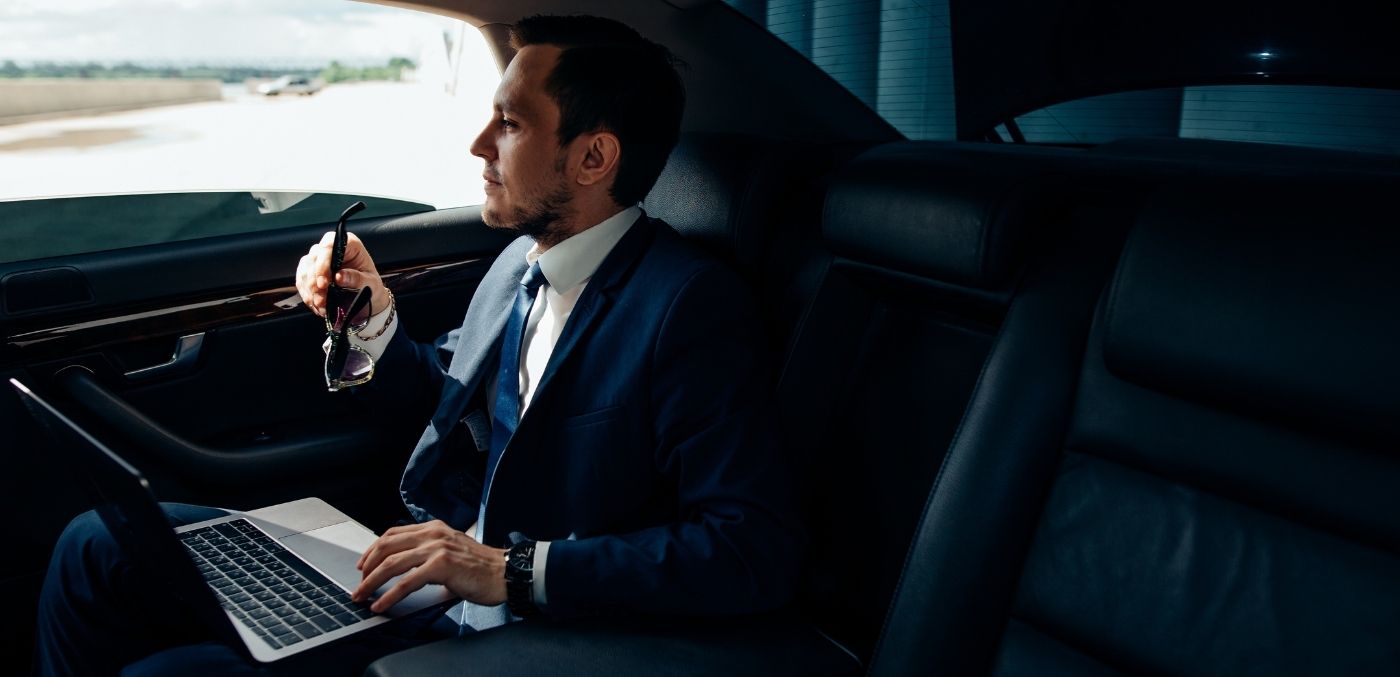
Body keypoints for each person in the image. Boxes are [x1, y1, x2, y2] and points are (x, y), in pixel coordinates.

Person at [34, 14, 802, 675]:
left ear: (593, 157)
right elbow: (448, 399)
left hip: (533, 629)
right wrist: (371, 317)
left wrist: (509, 568)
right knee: (96, 542)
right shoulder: (519, 263)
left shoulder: (688, 306)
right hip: (433, 584)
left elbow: (749, 549)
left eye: (509, 124)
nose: (478, 145)